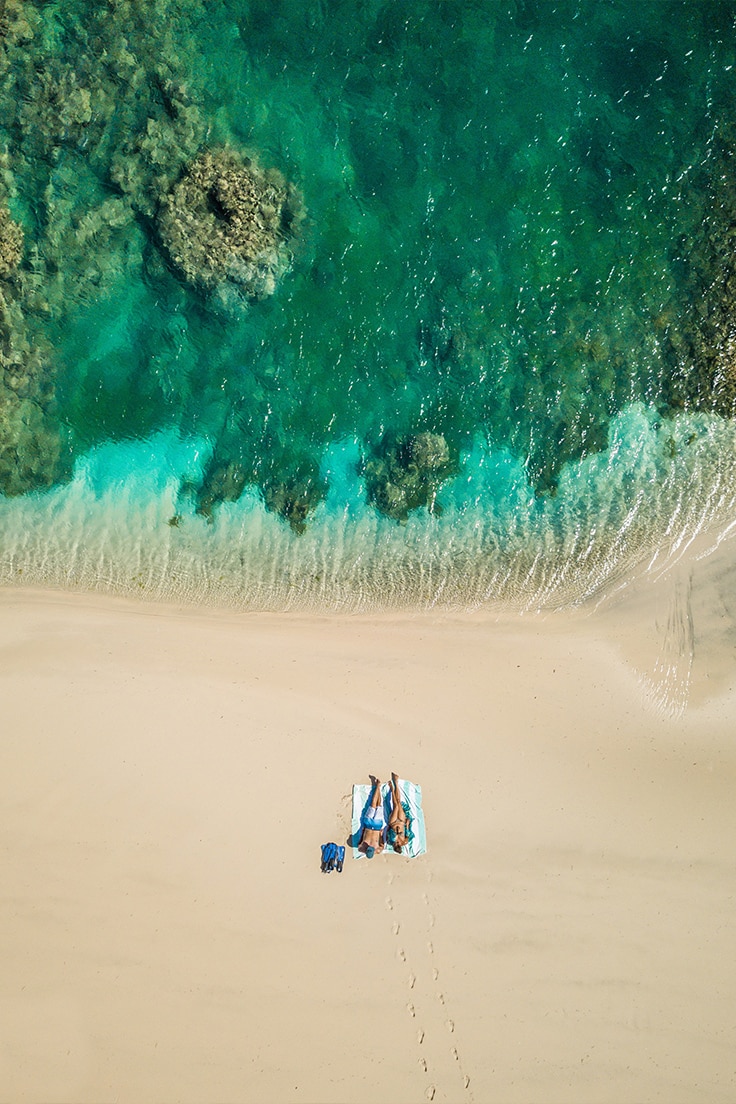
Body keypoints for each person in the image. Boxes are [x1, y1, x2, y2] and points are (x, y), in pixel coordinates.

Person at [358, 775, 386, 858]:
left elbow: (360, 841)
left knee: (373, 805)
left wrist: (362, 831)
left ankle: (378, 786)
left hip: (369, 825)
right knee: (378, 805)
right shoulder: (378, 849)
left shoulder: (361, 848)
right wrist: (381, 834)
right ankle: (378, 787)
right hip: (376, 826)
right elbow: (382, 843)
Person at [387, 771, 413, 853]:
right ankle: (396, 783)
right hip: (402, 822)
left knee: (396, 806)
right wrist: (408, 824)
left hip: (393, 822)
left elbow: (389, 831)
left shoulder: (390, 841)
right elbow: (408, 833)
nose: (395, 843)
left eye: (395, 844)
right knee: (398, 802)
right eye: (397, 844)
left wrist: (394, 834)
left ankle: (392, 788)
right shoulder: (405, 841)